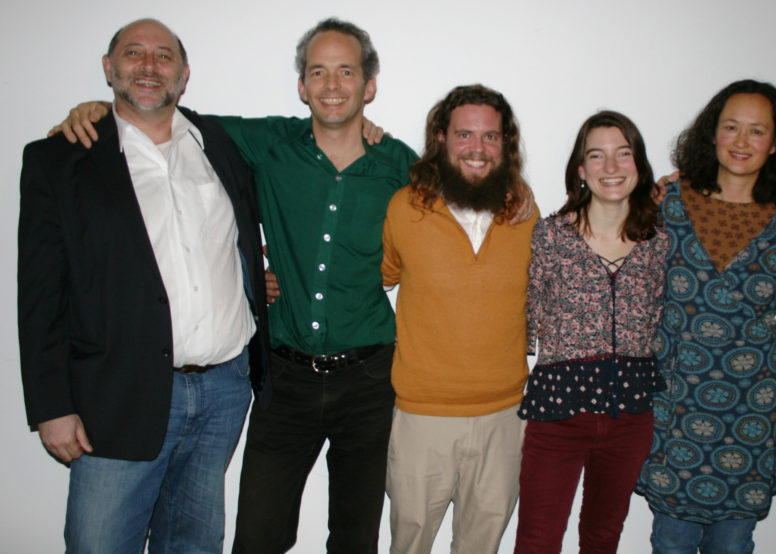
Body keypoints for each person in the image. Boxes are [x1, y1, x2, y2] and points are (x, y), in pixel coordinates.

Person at [52, 18, 417, 553]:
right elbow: (163, 114)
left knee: (356, 534)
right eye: (318, 71)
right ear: (301, 85)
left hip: (369, 379)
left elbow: (459, 201)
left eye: (347, 71)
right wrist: (99, 109)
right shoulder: (264, 143)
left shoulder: (399, 164)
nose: (332, 85)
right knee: (257, 536)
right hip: (283, 377)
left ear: (370, 85)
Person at [18, 18, 268, 553]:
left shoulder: (217, 142)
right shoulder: (61, 159)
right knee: (101, 544)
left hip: (225, 389)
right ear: (109, 69)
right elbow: (39, 293)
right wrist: (50, 405)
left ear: (184, 75)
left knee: (194, 544)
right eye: (134, 54)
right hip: (117, 394)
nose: (149, 66)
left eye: (163, 57)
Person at [634, 79, 776, 553]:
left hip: (748, 416)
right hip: (675, 408)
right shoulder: (667, 204)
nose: (740, 141)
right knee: (670, 541)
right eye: (731, 127)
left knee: (734, 546)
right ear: (711, 133)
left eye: (757, 131)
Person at [380, 84, 537, 554]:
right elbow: (374, 279)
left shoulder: (525, 212)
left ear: (505, 144)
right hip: (421, 416)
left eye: (491, 137)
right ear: (441, 138)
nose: (477, 149)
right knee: (409, 544)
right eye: (465, 134)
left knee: (481, 547)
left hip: (506, 415)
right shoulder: (403, 208)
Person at [513, 111, 668, 553]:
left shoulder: (660, 242)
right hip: (559, 412)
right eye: (596, 156)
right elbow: (526, 315)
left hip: (630, 416)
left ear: (638, 164)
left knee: (603, 538)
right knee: (538, 540)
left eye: (623, 154)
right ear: (581, 170)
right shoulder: (550, 236)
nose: (611, 167)